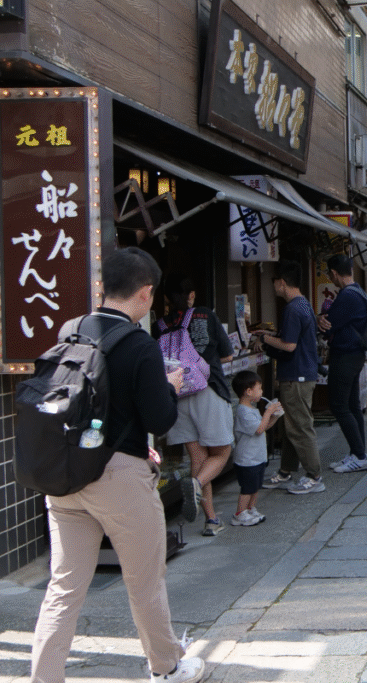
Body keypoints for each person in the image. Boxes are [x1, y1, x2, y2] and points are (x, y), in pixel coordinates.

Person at [31, 247, 204, 683]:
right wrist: (167, 384)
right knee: (144, 580)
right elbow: (160, 418)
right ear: (145, 293)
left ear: (104, 286)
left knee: (64, 586)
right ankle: (166, 667)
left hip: (66, 473)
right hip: (119, 476)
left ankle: (44, 677)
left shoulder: (72, 329)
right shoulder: (139, 344)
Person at [153, 274, 233, 537]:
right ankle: (196, 484)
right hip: (207, 390)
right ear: (191, 295)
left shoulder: (160, 325)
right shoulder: (204, 315)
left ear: (166, 298)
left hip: (176, 394)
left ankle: (211, 520)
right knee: (221, 454)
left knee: (198, 457)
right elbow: (227, 353)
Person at [251, 260, 324, 495]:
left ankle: (314, 476)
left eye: (274, 282)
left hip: (297, 376)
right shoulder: (304, 305)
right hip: (301, 374)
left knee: (300, 427)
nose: (273, 286)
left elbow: (290, 345)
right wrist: (271, 336)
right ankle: (286, 470)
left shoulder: (292, 308)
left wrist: (264, 340)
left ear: (282, 282)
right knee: (291, 425)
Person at [318, 254, 367, 474]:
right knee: (351, 405)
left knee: (339, 405)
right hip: (356, 354)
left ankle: (359, 455)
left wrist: (320, 320)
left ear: (334, 273)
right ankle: (357, 453)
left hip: (345, 355)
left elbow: (328, 326)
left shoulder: (347, 296)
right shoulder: (358, 291)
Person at [230, 370, 282, 525]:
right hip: (247, 459)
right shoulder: (243, 411)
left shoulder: (251, 409)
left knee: (256, 485)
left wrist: (274, 416)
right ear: (248, 391)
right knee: (247, 487)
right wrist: (268, 412)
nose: (261, 392)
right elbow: (259, 429)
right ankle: (239, 513)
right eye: (259, 389)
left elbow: (263, 427)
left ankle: (251, 508)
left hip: (257, 456)